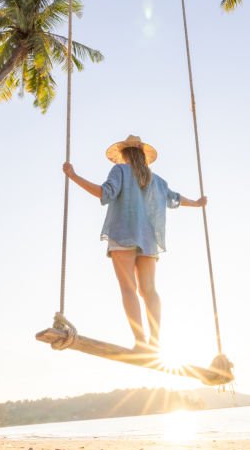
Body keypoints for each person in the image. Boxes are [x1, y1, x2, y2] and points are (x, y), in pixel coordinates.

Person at [63, 134, 206, 352]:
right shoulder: (157, 181)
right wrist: (196, 203)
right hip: (148, 240)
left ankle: (140, 341)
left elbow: (104, 193)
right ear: (142, 155)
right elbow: (175, 198)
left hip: (123, 234)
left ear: (124, 154)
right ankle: (155, 342)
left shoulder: (120, 171)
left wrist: (73, 176)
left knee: (128, 289)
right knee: (149, 290)